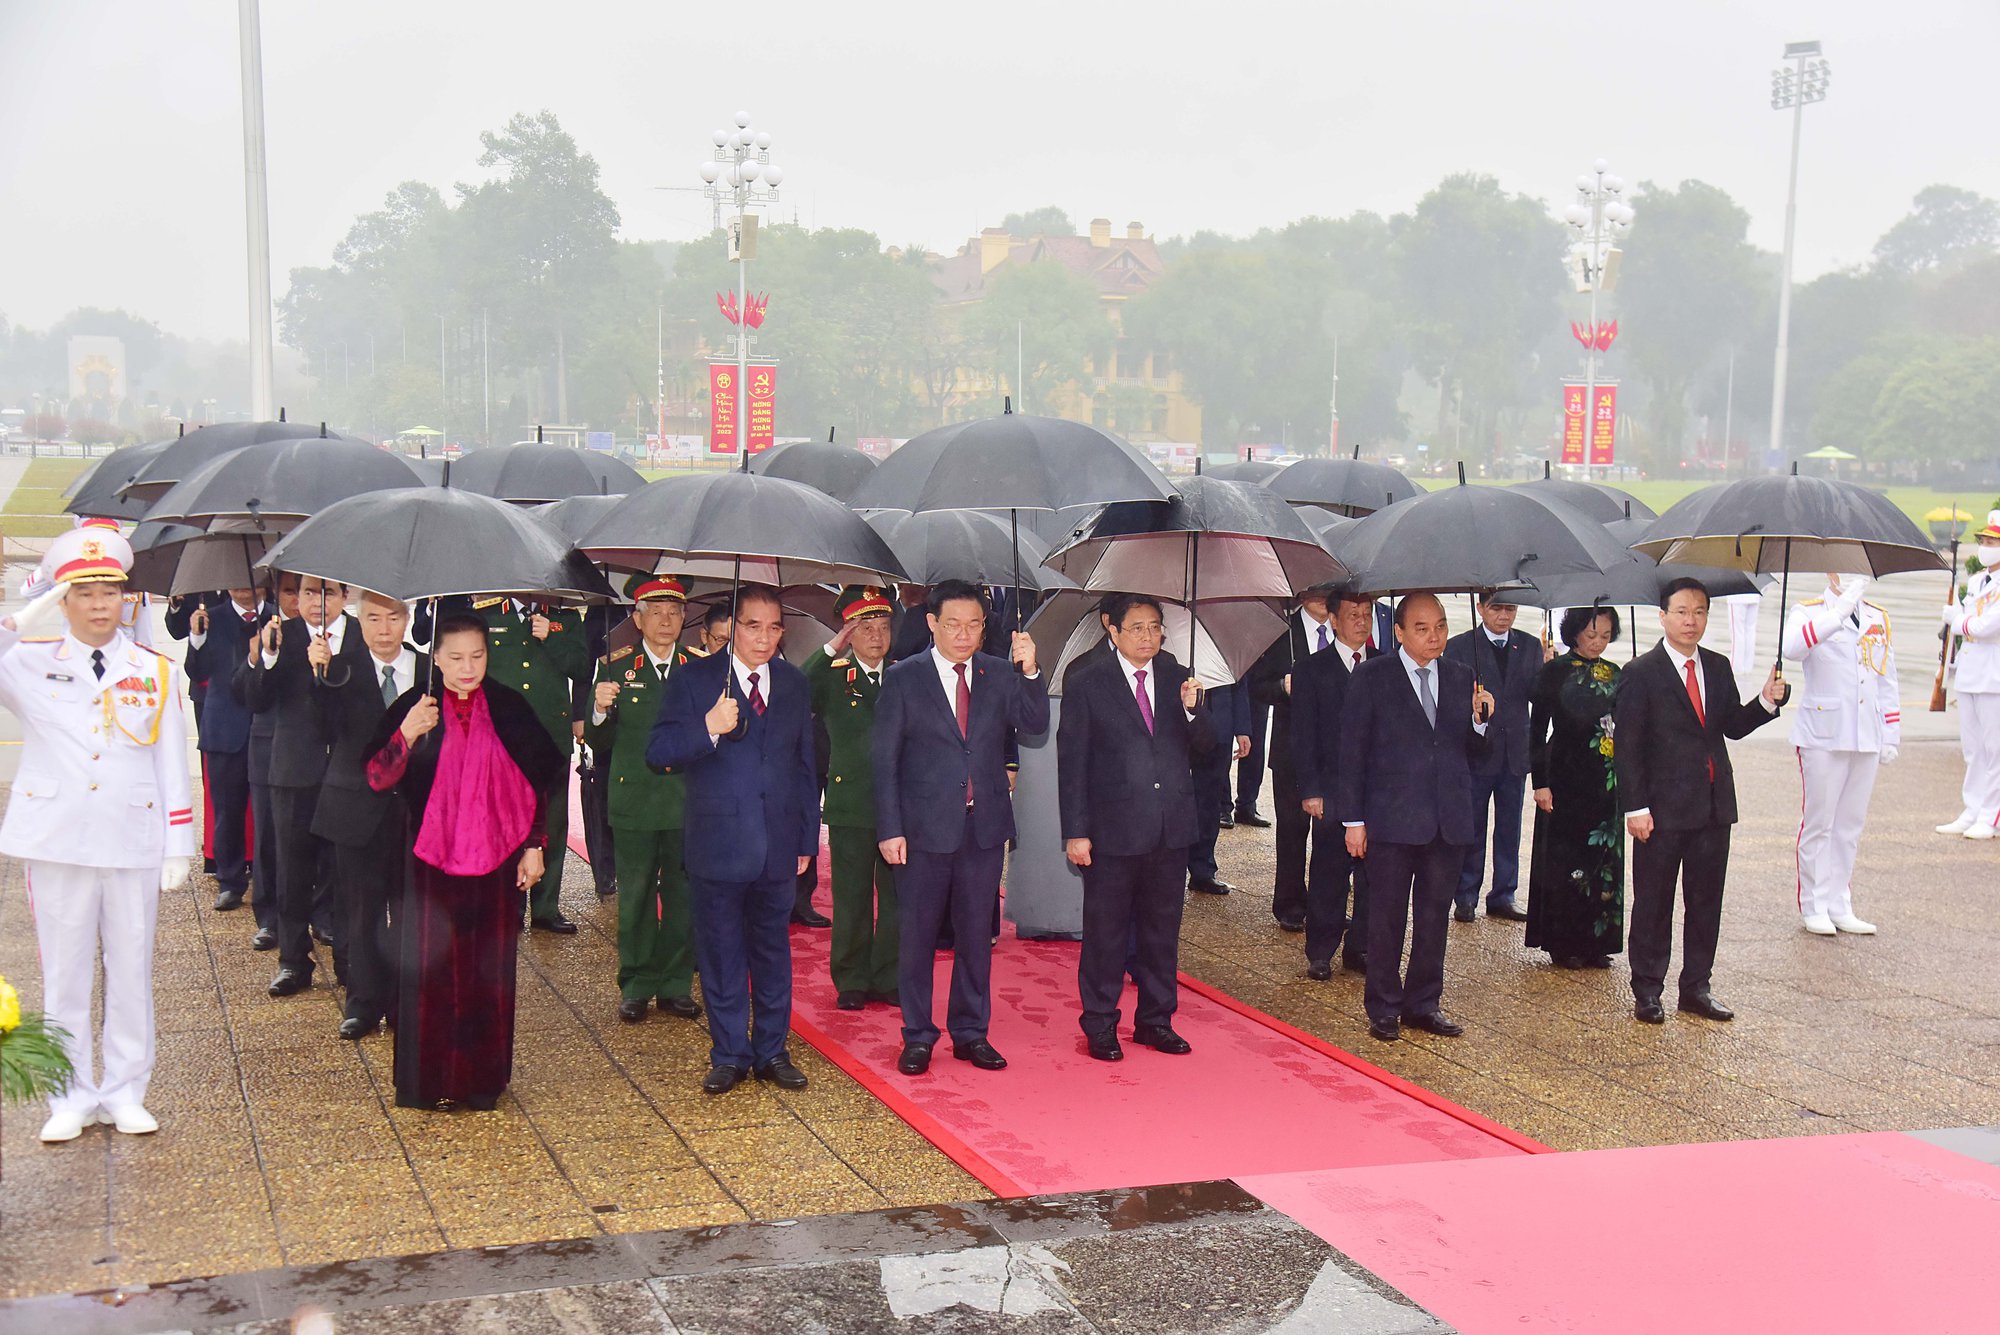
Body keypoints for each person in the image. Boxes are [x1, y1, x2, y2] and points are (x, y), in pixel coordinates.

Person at [0, 526, 194, 1142]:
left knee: (132, 967)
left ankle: (125, 1090)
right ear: (63, 600)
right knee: (64, 971)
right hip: (57, 839)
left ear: (124, 598)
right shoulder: (29, 664)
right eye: (84, 592)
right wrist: (19, 616)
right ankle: (69, 1095)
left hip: (131, 838)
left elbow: (170, 760)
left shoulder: (154, 671)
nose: (99, 603)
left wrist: (179, 843)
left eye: (109, 590)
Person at [365, 613, 564, 1110]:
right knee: (427, 972)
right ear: (434, 658)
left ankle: (480, 1082)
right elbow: (374, 777)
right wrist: (407, 735)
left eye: (477, 655)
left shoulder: (509, 706)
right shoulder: (416, 705)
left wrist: (535, 845)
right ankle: (424, 1081)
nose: (467, 667)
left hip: (497, 863)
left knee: (487, 973)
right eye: (455, 658)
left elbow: (540, 775)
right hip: (429, 863)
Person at [648, 585, 820, 1095]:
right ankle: (728, 1054)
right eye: (752, 626)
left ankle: (772, 1051)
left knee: (773, 952)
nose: (764, 638)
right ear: (731, 626)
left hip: (778, 841)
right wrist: (708, 727)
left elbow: (805, 764)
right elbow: (658, 751)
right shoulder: (695, 679)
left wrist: (808, 837)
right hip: (718, 841)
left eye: (773, 628)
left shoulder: (793, 683)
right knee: (722, 954)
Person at [874, 580, 1048, 1076]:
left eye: (974, 624)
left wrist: (1030, 669)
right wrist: (890, 828)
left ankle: (971, 1032)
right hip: (922, 829)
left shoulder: (998, 672)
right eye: (953, 624)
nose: (964, 634)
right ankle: (918, 1035)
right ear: (931, 623)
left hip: (983, 827)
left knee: (976, 936)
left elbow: (1034, 724)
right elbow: (884, 759)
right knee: (918, 937)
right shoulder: (904, 678)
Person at [1614, 577, 1786, 1026]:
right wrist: (1635, 808)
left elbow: (1730, 725)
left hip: (1713, 805)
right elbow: (1627, 747)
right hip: (1661, 810)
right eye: (1682, 612)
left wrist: (1766, 702)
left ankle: (1696, 987)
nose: (1691, 621)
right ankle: (1648, 990)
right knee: (1653, 901)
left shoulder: (1717, 664)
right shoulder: (1641, 672)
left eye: (1700, 612)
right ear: (1663, 616)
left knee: (1706, 900)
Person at [1058, 594, 1213, 1061]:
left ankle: (1156, 1020)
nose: (1149, 636)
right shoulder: (1088, 682)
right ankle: (1101, 1023)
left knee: (1162, 931)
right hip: (1112, 829)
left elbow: (1207, 749)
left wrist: (1193, 710)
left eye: (1155, 627)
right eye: (1138, 628)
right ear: (1114, 630)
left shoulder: (1176, 676)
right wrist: (1076, 831)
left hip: (1170, 826)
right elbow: (1073, 763)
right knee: (1106, 932)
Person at [1338, 593, 1493, 1043]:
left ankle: (1423, 1003)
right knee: (1386, 917)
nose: (1434, 636)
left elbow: (1475, 753)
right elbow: (1353, 752)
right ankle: (1383, 1006)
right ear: (1399, 632)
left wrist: (1481, 722)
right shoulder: (1373, 677)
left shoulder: (1462, 676)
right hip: (1391, 819)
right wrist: (1353, 819)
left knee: (1434, 918)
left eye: (1441, 626)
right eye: (1422, 628)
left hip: (1447, 819)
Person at [586, 574, 702, 1024]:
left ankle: (674, 985)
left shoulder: (698, 666)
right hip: (634, 800)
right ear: (638, 619)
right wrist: (598, 708)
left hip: (684, 802)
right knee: (633, 897)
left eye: (674, 611)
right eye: (655, 611)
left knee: (681, 896)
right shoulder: (614, 666)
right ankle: (635, 984)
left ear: (684, 617)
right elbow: (598, 740)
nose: (666, 619)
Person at [237, 576, 358, 998]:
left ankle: (348, 960)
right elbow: (252, 698)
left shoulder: (360, 635)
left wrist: (331, 667)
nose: (317, 602)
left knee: (343, 871)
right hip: (292, 769)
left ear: (345, 597)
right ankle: (293, 960)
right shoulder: (278, 635)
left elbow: (360, 702)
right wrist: (266, 658)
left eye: (327, 593)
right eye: (308, 593)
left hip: (344, 771)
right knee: (291, 869)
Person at [313, 591, 421, 1039]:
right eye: (373, 618)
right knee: (362, 911)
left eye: (392, 618)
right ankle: (363, 1002)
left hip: (414, 810)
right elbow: (321, 729)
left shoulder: (430, 669)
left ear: (407, 619)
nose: (383, 629)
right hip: (355, 807)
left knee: (413, 909)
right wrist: (318, 673)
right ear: (358, 621)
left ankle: (407, 1000)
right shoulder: (340, 670)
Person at [1783, 574, 1899, 934]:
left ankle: (1839, 902)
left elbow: (1885, 677)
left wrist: (1890, 731)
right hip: (1824, 732)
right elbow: (1793, 648)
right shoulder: (1809, 611)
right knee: (1820, 823)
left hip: (1866, 730)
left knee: (1849, 825)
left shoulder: (1877, 616)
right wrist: (1839, 612)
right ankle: (1814, 904)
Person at [804, 586, 901, 1010]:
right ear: (850, 634)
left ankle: (888, 976)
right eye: (866, 629)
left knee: (898, 898)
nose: (876, 637)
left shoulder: (903, 675)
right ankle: (851, 979)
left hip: (898, 806)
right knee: (852, 896)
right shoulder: (834, 675)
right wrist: (831, 647)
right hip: (852, 802)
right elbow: (798, 688)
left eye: (883, 628)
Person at [473, 596, 588, 934]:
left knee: (552, 822)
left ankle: (546, 907)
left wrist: (550, 637)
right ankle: (507, 904)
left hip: (550, 736)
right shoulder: (487, 615)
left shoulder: (565, 619)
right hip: (504, 737)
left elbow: (581, 667)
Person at [1525, 606, 1626, 969]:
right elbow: (1537, 731)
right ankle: (1563, 941)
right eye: (1590, 634)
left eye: (1604, 635)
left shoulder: (1617, 674)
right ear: (1574, 632)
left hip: (1606, 777)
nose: (1597, 642)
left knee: (1605, 859)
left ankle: (1598, 941)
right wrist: (1541, 783)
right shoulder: (1553, 672)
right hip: (1565, 774)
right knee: (1566, 858)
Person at [1291, 591, 1380, 979]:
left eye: (1367, 614)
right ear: (1334, 619)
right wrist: (1310, 789)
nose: (1361, 621)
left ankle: (1361, 948)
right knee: (1329, 871)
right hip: (1331, 788)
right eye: (1353, 615)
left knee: (1374, 877)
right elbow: (1303, 734)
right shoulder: (1312, 668)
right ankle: (1320, 950)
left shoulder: (1384, 665)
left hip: (1377, 790)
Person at [1247, 588, 1341, 932]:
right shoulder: (1281, 633)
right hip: (1290, 750)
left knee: (1330, 833)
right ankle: (1289, 903)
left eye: (1327, 590)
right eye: (1313, 590)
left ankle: (1325, 904)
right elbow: (1257, 685)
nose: (1320, 596)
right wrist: (1282, 687)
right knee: (1292, 829)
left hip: (1334, 752)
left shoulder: (1343, 630)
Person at [1444, 594, 1540, 924]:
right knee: (1472, 824)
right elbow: (1451, 700)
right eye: (1496, 608)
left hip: (1515, 751)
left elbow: (1538, 698)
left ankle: (1504, 894)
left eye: (1510, 609)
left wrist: (1552, 669)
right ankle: (1466, 893)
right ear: (1480, 608)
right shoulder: (1460, 646)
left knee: (1510, 825)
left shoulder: (1529, 646)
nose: (1503, 616)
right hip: (1477, 748)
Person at [185, 585, 273, 913]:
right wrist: (196, 638)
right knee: (227, 811)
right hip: (224, 727)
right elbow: (196, 671)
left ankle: (271, 886)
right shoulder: (212, 618)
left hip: (268, 726)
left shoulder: (277, 618)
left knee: (270, 816)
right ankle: (229, 880)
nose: (242, 585)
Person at [234, 572, 302, 951]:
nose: (296, 601)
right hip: (268, 747)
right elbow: (243, 692)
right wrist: (258, 656)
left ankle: (322, 916)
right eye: (289, 592)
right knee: (269, 839)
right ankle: (269, 918)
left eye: (306, 592)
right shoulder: (263, 631)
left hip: (312, 752)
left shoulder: (331, 638)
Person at [1939, 514, 2000, 840]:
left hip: (1995, 677)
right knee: (1973, 749)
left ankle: (1991, 816)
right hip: (1970, 670)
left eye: (1992, 542)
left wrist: (1957, 619)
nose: (1985, 547)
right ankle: (1972, 809)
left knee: (1995, 751)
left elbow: (1985, 627)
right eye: (1983, 541)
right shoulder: (1977, 581)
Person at [1187, 678, 1249, 896]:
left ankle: (1202, 870)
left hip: (1220, 726)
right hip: (1178, 726)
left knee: (1209, 802)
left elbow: (1239, 679)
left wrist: (1242, 728)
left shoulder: (1225, 647)